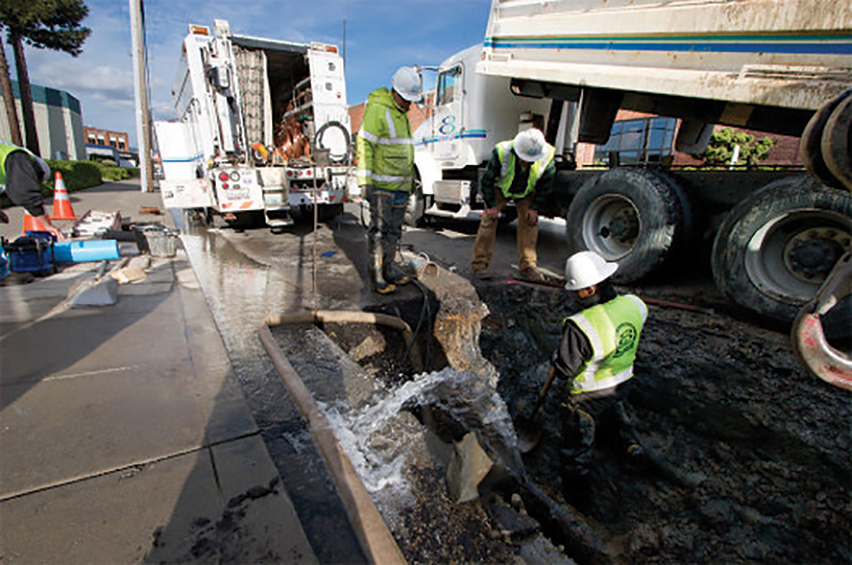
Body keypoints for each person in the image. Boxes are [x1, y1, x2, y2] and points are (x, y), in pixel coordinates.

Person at [550, 250, 648, 506]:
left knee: (576, 448)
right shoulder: (635, 305)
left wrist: (556, 359)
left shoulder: (581, 325)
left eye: (575, 290)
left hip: (586, 398)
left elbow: (564, 370)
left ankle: (577, 501)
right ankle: (630, 447)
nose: (571, 295)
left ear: (590, 289)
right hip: (622, 384)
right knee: (613, 412)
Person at [356, 66, 422, 294]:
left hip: (401, 186)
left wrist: (410, 180)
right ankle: (376, 276)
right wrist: (365, 180)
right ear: (395, 91)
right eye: (406, 99)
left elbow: (404, 151)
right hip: (383, 187)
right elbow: (365, 144)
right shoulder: (378, 109)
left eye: (411, 100)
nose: (408, 104)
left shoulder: (401, 115)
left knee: (394, 231)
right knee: (379, 232)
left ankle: (389, 268)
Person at [471, 128, 556, 282]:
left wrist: (534, 208)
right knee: (489, 221)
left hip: (526, 191)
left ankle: (528, 266)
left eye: (530, 161)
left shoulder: (547, 156)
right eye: (524, 159)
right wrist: (491, 206)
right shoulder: (502, 152)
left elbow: (546, 186)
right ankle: (480, 265)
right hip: (501, 188)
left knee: (530, 222)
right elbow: (487, 181)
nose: (526, 163)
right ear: (517, 152)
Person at [0, 142, 64, 285]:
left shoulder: (8, 155)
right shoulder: (19, 157)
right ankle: (1, 275)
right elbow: (25, 193)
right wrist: (46, 225)